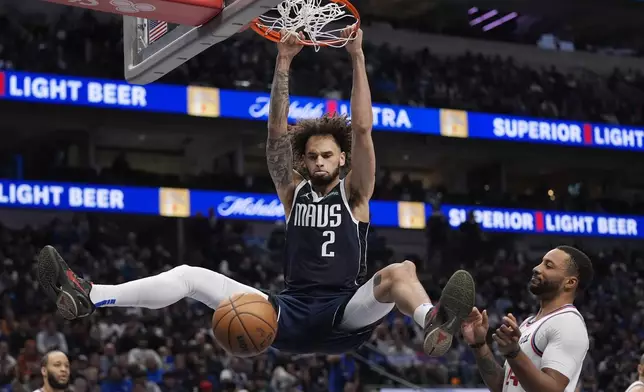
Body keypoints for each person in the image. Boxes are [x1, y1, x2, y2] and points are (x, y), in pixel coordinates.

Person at [36, 26, 475, 357]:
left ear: (342, 159)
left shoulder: (356, 194)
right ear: (305, 162)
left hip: (345, 312)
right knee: (190, 275)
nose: (319, 161)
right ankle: (90, 295)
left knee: (401, 270)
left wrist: (357, 57)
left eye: (327, 155)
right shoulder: (292, 191)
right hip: (285, 314)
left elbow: (362, 128)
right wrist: (283, 63)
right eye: (313, 157)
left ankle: (432, 322)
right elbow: (275, 135)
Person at [461, 245, 593, 392]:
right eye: (541, 262)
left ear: (570, 283)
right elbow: (502, 387)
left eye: (548, 266)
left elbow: (553, 389)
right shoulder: (529, 323)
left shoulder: (568, 323)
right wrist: (479, 345)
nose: (537, 268)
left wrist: (514, 353)